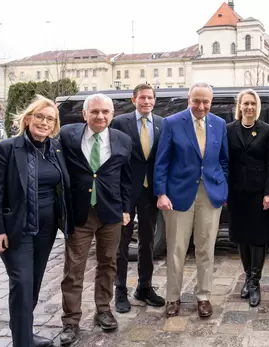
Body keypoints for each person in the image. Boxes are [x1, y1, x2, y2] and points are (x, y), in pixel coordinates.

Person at [0, 95, 73, 347]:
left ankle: (24, 331)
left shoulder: (55, 150)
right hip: (16, 230)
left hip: (46, 230)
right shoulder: (7, 148)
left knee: (33, 284)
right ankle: (22, 341)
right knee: (22, 283)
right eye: (40, 116)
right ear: (27, 119)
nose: (44, 122)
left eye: (50, 119)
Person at [58, 93, 132, 345]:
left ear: (113, 115)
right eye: (95, 111)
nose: (100, 116)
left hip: (111, 213)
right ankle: (70, 321)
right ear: (85, 114)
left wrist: (126, 208)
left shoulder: (123, 140)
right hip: (80, 214)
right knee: (74, 269)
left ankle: (103, 310)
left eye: (105, 112)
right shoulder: (68, 135)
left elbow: (126, 179)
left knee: (108, 264)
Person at [154, 82, 228, 318]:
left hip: (210, 196)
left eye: (206, 102)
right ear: (189, 99)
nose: (201, 106)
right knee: (176, 249)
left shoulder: (219, 124)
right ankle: (173, 298)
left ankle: (204, 296)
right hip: (178, 196)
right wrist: (161, 193)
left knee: (206, 248)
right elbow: (162, 161)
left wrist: (222, 187)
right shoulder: (172, 123)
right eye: (197, 101)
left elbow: (224, 161)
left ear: (211, 101)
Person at [110, 84, 165, 313]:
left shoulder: (162, 124)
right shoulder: (120, 123)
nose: (146, 101)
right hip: (126, 190)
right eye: (142, 97)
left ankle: (144, 287)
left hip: (149, 191)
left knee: (148, 241)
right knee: (121, 244)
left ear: (154, 100)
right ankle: (120, 291)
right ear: (134, 99)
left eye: (150, 98)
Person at [226, 89, 269, 307]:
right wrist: (224, 192)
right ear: (239, 106)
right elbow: (225, 161)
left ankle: (254, 282)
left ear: (257, 107)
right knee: (242, 237)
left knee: (258, 238)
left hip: (258, 194)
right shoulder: (229, 130)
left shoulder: (266, 130)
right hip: (236, 193)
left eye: (253, 104)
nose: (249, 107)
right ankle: (248, 276)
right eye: (245, 103)